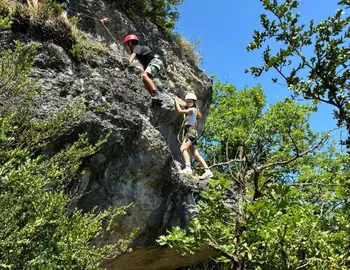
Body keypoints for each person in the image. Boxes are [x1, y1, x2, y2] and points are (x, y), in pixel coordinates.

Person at [174, 93, 213, 180]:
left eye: (190, 101)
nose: (188, 103)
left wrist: (176, 101)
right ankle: (208, 171)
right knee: (195, 154)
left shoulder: (192, 110)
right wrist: (182, 101)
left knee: (183, 148)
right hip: (192, 132)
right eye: (187, 101)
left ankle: (188, 168)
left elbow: (180, 111)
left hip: (190, 132)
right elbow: (184, 105)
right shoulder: (193, 110)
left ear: (194, 102)